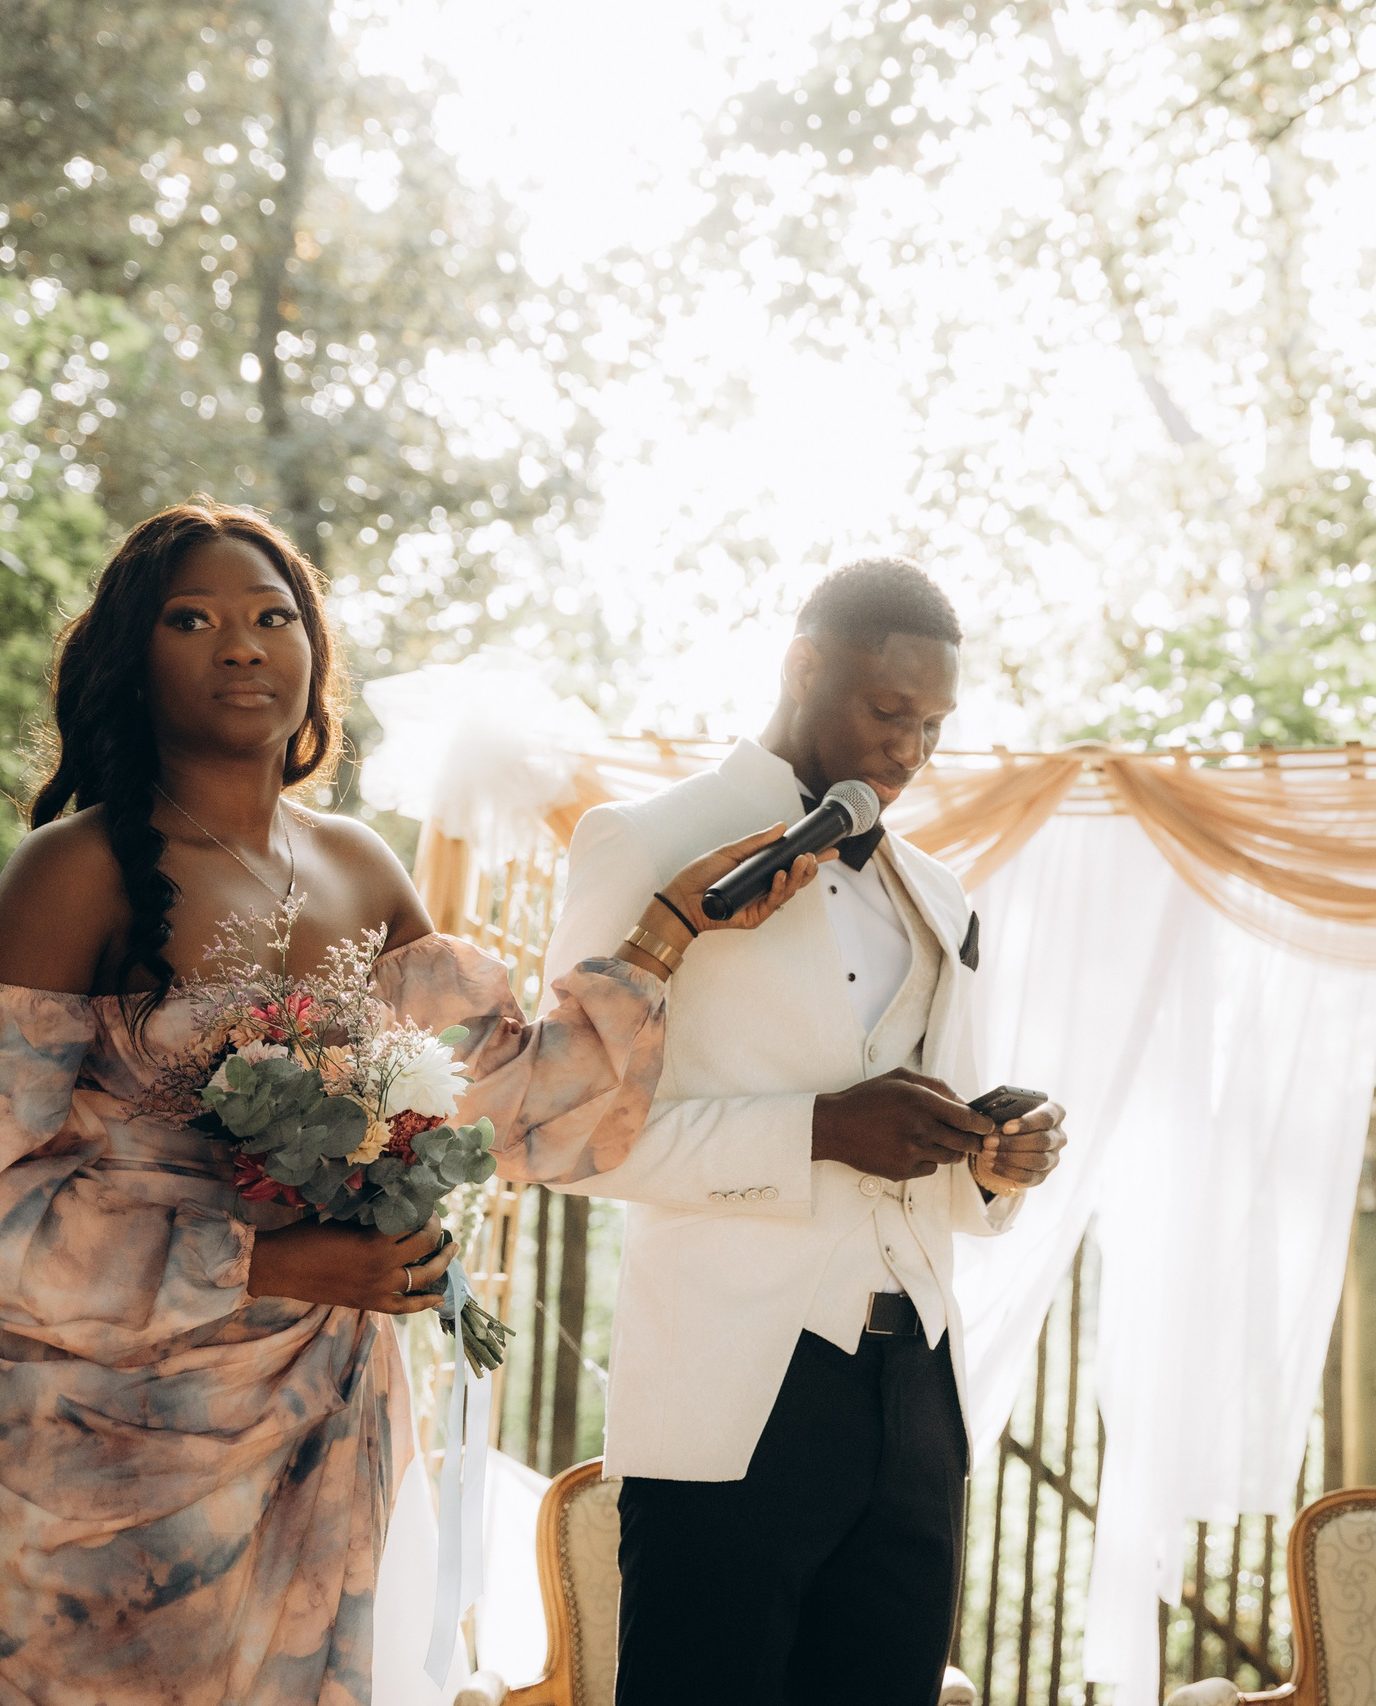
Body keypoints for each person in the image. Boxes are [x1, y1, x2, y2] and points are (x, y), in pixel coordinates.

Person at [0, 500, 822, 1706]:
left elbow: (500, 1094)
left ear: (313, 655)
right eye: (193, 620)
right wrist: (272, 1261)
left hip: (319, 1430)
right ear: (133, 662)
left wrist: (667, 934)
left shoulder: (359, 865)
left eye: (272, 616)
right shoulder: (68, 872)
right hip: (92, 1466)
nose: (242, 644)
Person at [533, 555, 1068, 1704]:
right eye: (887, 711)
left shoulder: (941, 891)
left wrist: (995, 1157)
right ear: (801, 665)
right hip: (737, 1389)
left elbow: (943, 1146)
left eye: (932, 725)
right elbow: (562, 1133)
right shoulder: (645, 843)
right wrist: (815, 1129)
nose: (909, 751)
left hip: (918, 1397)